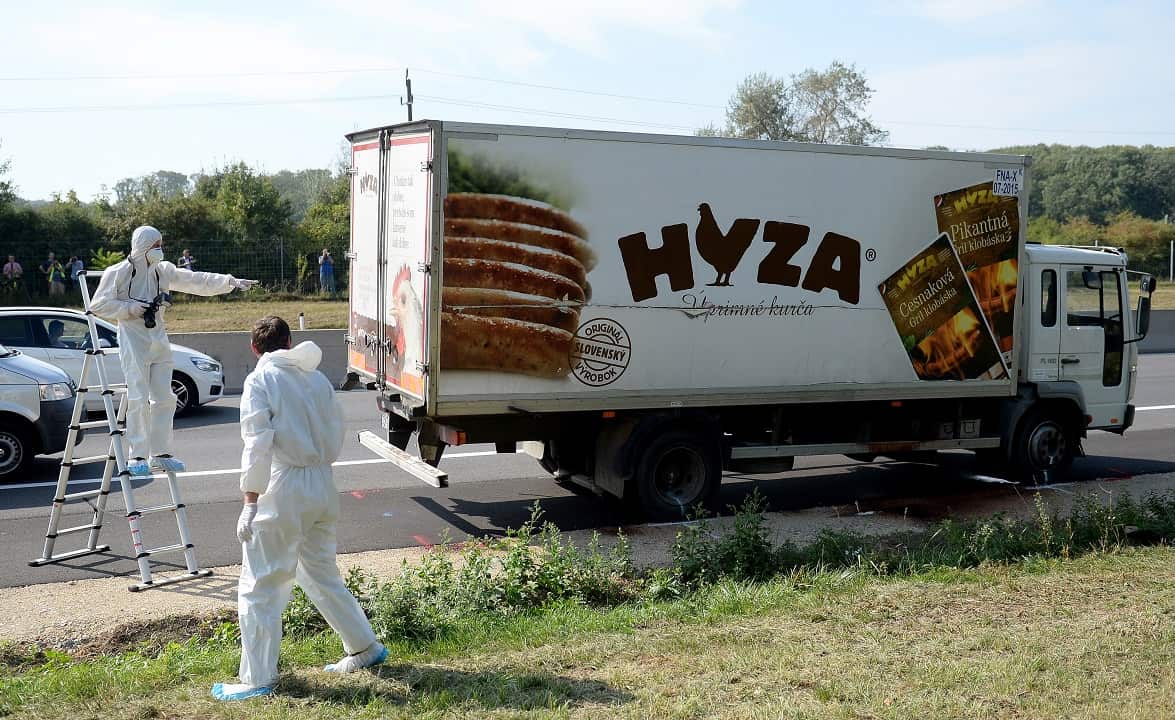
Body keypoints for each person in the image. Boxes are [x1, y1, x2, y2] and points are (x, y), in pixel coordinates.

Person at [212, 316, 386, 702]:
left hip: (284, 485)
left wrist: (250, 501)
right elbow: (336, 430)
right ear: (290, 342)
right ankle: (364, 647)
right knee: (320, 573)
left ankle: (257, 678)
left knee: (261, 584)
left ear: (254, 349)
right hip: (323, 483)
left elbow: (256, 443)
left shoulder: (261, 380)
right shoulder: (317, 378)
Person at [90, 226, 258, 477]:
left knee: (165, 397)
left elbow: (195, 280)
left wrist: (230, 282)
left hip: (157, 334)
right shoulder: (118, 272)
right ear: (142, 246)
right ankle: (137, 454)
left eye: (160, 244)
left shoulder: (163, 270)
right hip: (132, 337)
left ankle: (160, 453)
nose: (159, 249)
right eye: (155, 244)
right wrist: (130, 308)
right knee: (138, 396)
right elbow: (98, 305)